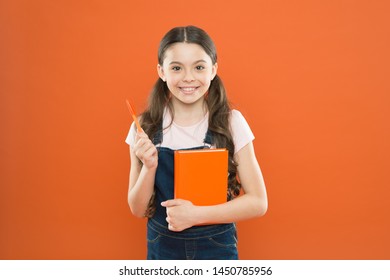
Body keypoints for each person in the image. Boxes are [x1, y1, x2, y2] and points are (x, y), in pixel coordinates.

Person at [125, 25, 267, 260]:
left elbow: (258, 202)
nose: (188, 77)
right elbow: (138, 209)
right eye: (177, 68)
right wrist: (149, 166)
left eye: (199, 67)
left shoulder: (231, 122)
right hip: (163, 247)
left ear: (213, 70)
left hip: (217, 248)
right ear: (161, 71)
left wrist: (195, 215)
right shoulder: (143, 127)